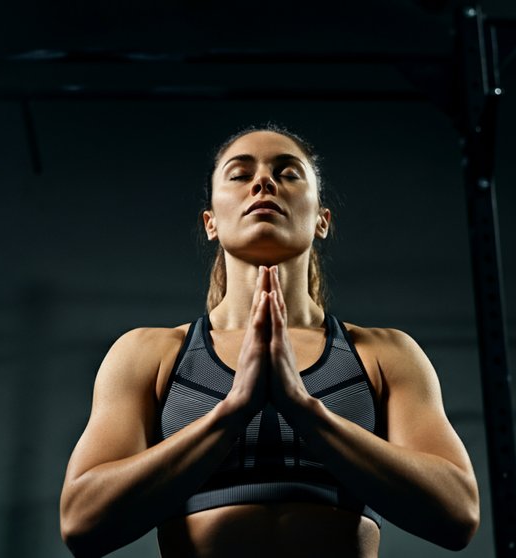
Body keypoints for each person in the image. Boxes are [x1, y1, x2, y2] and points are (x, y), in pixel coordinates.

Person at [59, 123, 480, 558]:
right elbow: (81, 522)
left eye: (288, 173)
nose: (264, 182)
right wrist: (233, 410)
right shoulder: (148, 353)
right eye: (240, 174)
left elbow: (458, 514)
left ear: (321, 220)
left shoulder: (384, 353)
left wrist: (305, 409)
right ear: (210, 223)